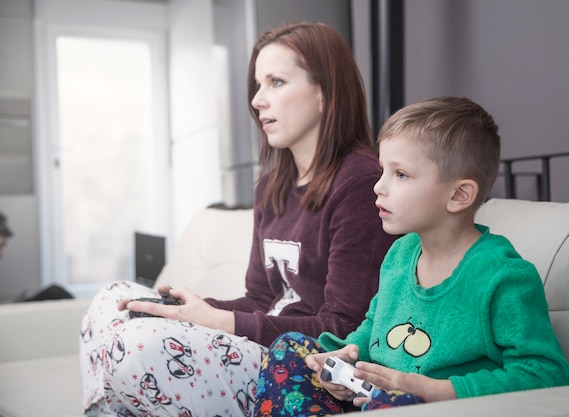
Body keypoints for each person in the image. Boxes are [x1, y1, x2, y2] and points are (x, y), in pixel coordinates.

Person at [79, 21, 397, 417]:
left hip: (302, 365)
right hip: (259, 342)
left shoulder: (360, 181)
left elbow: (345, 326)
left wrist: (217, 320)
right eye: (257, 86)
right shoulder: (271, 187)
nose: (257, 101)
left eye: (276, 82)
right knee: (113, 299)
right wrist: (187, 308)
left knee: (139, 346)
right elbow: (262, 299)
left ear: (324, 92)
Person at [253, 96, 569, 415]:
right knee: (288, 349)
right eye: (383, 171)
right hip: (375, 399)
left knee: (394, 402)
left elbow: (547, 375)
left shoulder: (503, 276)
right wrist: (346, 356)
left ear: (459, 195)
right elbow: (373, 328)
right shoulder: (400, 253)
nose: (379, 187)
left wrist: (431, 391)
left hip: (437, 408)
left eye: (401, 175)